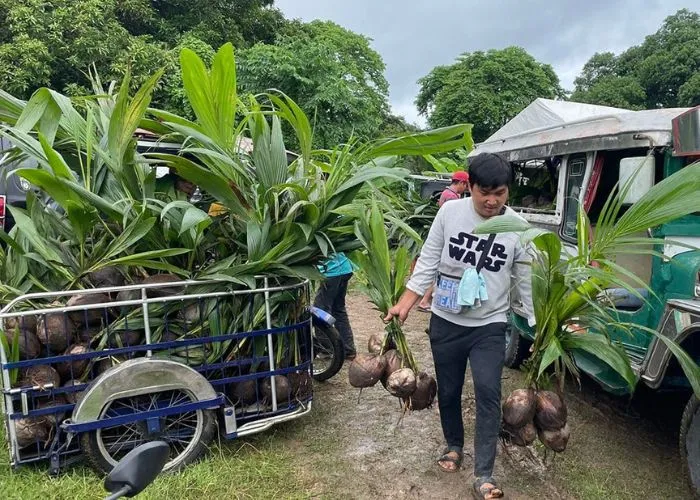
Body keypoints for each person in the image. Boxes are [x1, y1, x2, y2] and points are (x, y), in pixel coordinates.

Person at [384, 153, 534, 500]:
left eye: (500, 193)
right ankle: (453, 444)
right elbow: (429, 260)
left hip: (490, 325)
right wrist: (405, 305)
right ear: (470, 187)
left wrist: (536, 323)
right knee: (449, 391)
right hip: (447, 322)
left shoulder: (518, 229)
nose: (492, 200)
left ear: (508, 191)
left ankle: (484, 472)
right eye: (485, 192)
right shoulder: (451, 212)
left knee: (488, 392)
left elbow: (524, 281)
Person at [417, 170, 470, 311]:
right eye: (465, 185)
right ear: (461, 183)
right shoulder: (452, 198)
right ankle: (425, 300)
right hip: (449, 236)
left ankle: (425, 299)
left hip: (444, 233)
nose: (466, 188)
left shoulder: (445, 194)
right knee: (439, 270)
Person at [314, 252, 357, 360]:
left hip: (332, 271)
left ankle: (327, 349)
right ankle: (348, 350)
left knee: (320, 311)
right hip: (344, 268)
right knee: (338, 309)